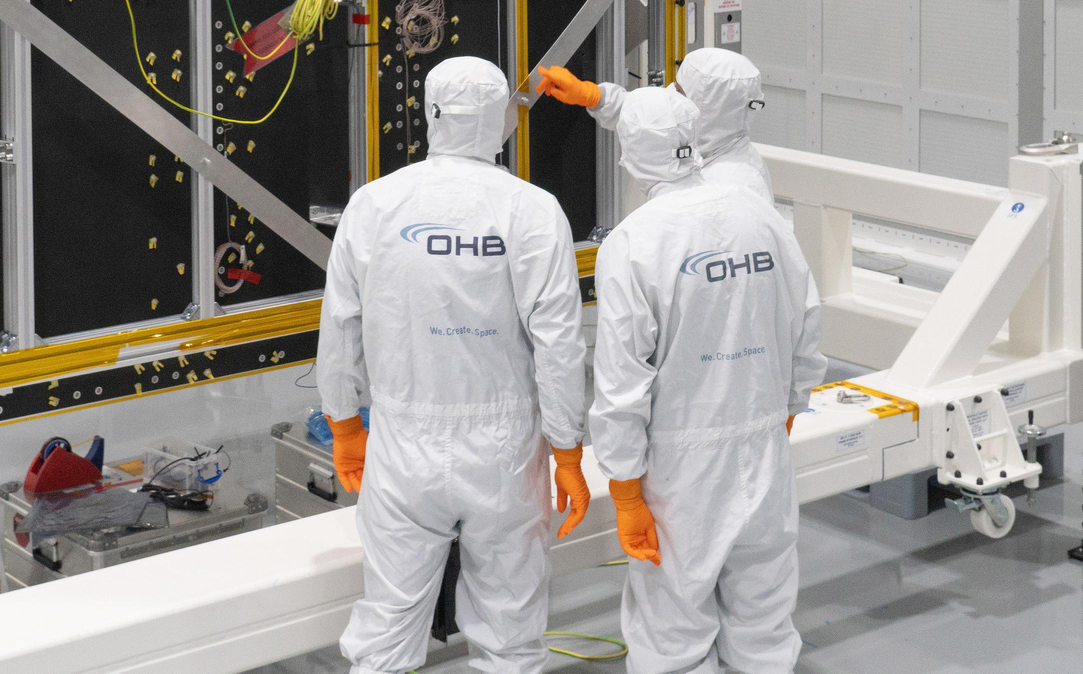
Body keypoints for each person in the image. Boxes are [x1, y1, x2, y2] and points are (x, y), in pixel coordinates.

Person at [316, 56, 592, 674]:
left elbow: (338, 328)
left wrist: (344, 426)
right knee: (511, 632)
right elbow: (559, 344)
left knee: (387, 627)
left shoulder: (375, 204)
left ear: (429, 112)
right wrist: (568, 452)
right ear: (501, 121)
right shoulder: (533, 210)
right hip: (508, 456)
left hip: (402, 445)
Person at [590, 99, 824, 674]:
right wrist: (789, 405)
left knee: (673, 623)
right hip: (764, 445)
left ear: (631, 155)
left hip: (680, 466)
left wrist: (624, 489)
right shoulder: (760, 216)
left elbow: (622, 382)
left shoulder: (635, 240)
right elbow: (806, 320)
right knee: (765, 612)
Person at [536, 45, 775, 200]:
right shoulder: (709, 140)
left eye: (679, 91)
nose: (671, 96)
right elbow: (651, 117)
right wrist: (592, 96)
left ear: (711, 108)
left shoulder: (738, 186)